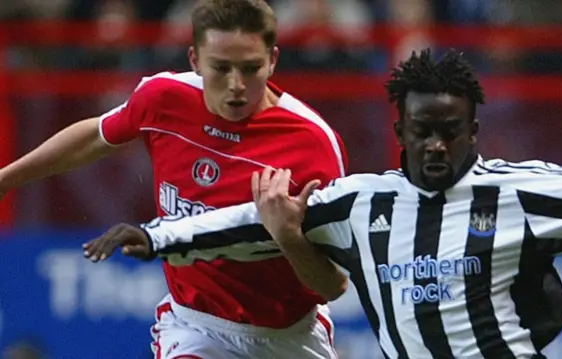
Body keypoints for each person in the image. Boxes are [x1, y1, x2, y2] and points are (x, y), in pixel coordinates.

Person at [84, 48, 562, 359]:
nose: (437, 144)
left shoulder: (523, 193)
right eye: (424, 130)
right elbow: (254, 222)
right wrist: (157, 236)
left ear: (474, 130)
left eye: (451, 130)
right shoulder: (362, 207)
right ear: (399, 129)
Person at [0, 0, 349, 358]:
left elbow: (331, 285)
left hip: (289, 336)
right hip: (196, 327)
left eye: (250, 68)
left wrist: (288, 237)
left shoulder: (314, 145)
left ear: (273, 60)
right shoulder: (163, 98)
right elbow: (96, 136)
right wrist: (5, 180)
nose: (236, 85)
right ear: (195, 60)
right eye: (221, 68)